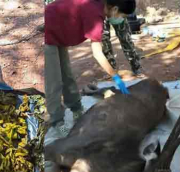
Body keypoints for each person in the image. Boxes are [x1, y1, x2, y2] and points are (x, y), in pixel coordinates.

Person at [44, 0, 136, 137]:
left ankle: (76, 108)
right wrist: (115, 76)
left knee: (66, 74)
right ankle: (57, 123)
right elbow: (97, 53)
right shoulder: (95, 14)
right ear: (115, 9)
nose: (121, 19)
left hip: (59, 33)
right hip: (48, 32)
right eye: (122, 16)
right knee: (54, 80)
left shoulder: (98, 5)